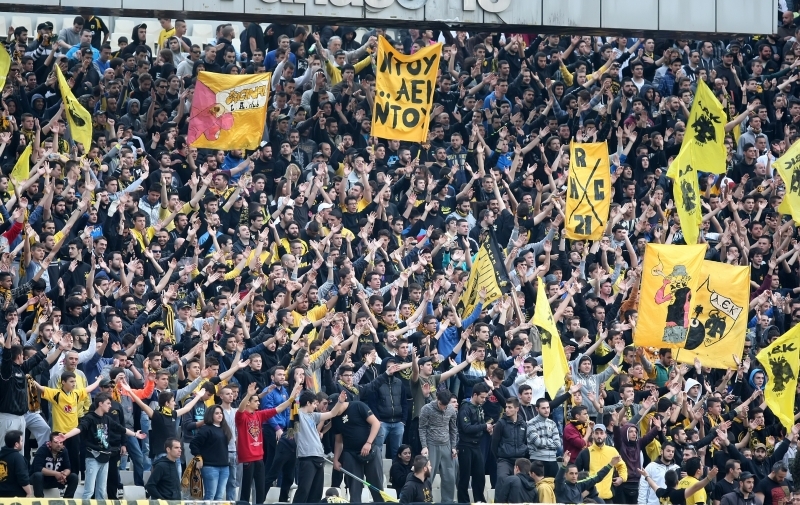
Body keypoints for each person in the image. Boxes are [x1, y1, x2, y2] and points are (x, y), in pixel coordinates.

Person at [55, 393, 147, 499]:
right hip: (93, 457)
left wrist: (135, 434)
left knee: (101, 491)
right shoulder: (89, 418)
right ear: (100, 404)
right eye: (108, 403)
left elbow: (121, 428)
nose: (110, 406)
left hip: (105, 457)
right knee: (89, 491)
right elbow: (80, 428)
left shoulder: (107, 419)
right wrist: (66, 436)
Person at [236, 381, 301, 504]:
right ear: (248, 402)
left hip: (259, 458)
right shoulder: (241, 417)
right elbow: (240, 409)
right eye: (256, 401)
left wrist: (292, 398)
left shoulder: (259, 415)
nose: (259, 403)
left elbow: (278, 408)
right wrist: (248, 395)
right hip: (247, 459)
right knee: (245, 490)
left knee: (260, 490)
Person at [291, 389, 348, 504]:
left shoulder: (313, 416)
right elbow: (292, 403)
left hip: (319, 456)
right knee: (304, 490)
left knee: (316, 492)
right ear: (308, 403)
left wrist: (340, 402)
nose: (315, 406)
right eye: (314, 403)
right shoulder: (298, 415)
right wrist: (296, 387)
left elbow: (331, 414)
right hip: (306, 458)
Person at [418, 389, 457, 502]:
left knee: (449, 477)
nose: (443, 407)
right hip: (432, 444)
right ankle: (426, 500)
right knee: (428, 475)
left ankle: (448, 502)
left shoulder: (451, 409)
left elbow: (453, 429)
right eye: (441, 404)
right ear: (437, 399)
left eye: (445, 405)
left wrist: (453, 447)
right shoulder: (426, 409)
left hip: (446, 445)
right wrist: (424, 446)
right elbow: (422, 428)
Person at [189, 404, 235, 500]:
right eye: (217, 413)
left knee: (219, 497)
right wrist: (198, 457)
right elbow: (193, 444)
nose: (220, 415)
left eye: (221, 413)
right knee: (210, 495)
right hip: (210, 467)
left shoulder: (224, 428)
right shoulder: (206, 429)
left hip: (224, 467)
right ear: (211, 415)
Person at [456, 381, 492, 503]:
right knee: (464, 477)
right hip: (465, 445)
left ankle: (479, 500)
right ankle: (463, 501)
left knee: (480, 476)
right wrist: (484, 426)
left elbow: (479, 424)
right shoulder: (465, 408)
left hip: (477, 445)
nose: (484, 400)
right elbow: (466, 428)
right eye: (482, 397)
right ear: (475, 395)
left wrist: (487, 428)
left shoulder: (479, 407)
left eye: (485, 397)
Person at [639, 464, 719, 505]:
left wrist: (646, 476)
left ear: (665, 482)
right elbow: (696, 487)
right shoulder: (678, 494)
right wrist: (709, 477)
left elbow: (653, 485)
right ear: (677, 482)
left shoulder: (661, 492)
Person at [30, 432, 79, 498]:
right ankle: (40, 499)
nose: (59, 445)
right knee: (38, 475)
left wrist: (64, 475)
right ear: (50, 443)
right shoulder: (43, 449)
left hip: (56, 479)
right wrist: (56, 473)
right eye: (56, 442)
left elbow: (68, 468)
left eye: (61, 442)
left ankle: (67, 499)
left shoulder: (64, 450)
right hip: (42, 479)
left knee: (74, 477)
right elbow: (38, 468)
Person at [0, 430, 32, 497]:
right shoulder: (18, 458)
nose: (23, 443)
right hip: (15, 496)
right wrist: (29, 492)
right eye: (21, 441)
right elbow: (22, 477)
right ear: (16, 444)